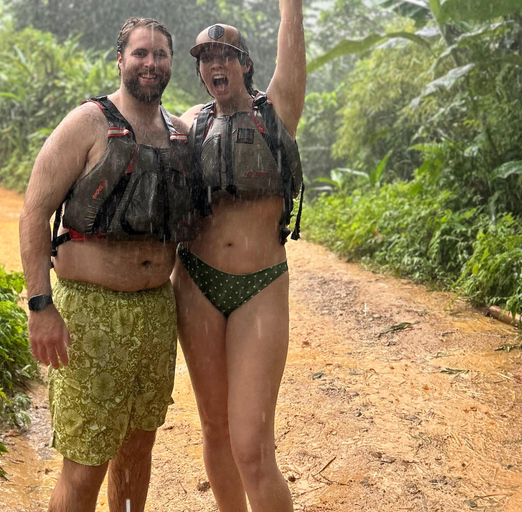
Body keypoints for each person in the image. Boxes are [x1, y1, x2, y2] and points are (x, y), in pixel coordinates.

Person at [19, 17, 201, 512]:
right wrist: (41, 306)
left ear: (169, 64)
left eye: (160, 54)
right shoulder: (88, 123)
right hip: (88, 315)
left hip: (154, 313)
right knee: (85, 463)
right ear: (120, 60)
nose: (151, 63)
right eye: (141, 53)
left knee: (138, 448)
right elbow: (35, 211)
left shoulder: (181, 137)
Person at [172, 1, 306, 511]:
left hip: (261, 286)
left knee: (252, 445)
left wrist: (289, 7)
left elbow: (291, 45)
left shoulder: (278, 111)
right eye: (205, 58)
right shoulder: (190, 123)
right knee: (215, 427)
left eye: (225, 55)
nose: (214, 65)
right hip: (197, 284)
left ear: (244, 64)